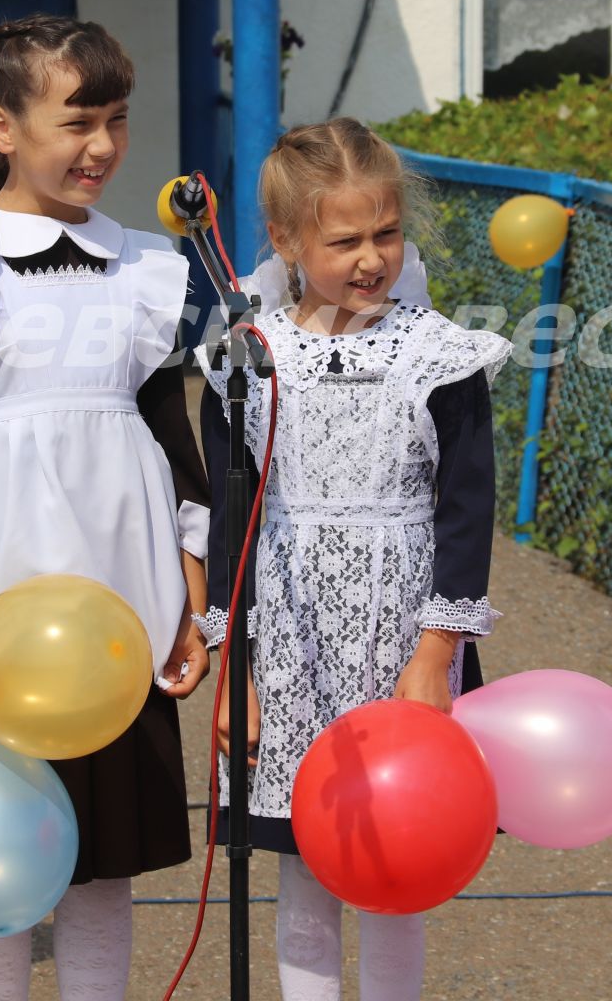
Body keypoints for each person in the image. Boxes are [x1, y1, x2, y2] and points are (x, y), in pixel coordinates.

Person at [0, 14, 211, 999]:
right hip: (0, 593)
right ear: (2, 125)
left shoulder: (144, 267)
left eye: (115, 119)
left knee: (104, 854)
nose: (102, 146)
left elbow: (172, 438)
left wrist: (192, 593)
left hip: (125, 591)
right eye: (76, 120)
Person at [196, 117, 507, 1001]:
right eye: (345, 240)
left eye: (386, 233)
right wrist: (235, 672)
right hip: (285, 644)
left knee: (393, 866)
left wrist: (436, 656)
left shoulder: (437, 354)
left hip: (398, 638)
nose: (371, 258)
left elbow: (465, 512)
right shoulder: (247, 360)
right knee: (301, 865)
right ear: (290, 241)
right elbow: (231, 519)